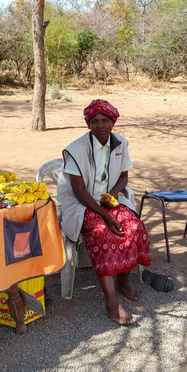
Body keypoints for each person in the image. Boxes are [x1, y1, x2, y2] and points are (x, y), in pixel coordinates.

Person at [57, 99, 171, 326]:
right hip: (81, 205)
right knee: (102, 231)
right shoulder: (76, 149)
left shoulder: (121, 143)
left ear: (113, 122)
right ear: (88, 124)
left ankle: (123, 280)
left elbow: (123, 177)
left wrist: (114, 193)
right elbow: (79, 191)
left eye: (105, 120)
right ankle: (111, 301)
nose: (100, 125)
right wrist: (106, 215)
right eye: (95, 121)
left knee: (134, 226)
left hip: (108, 201)